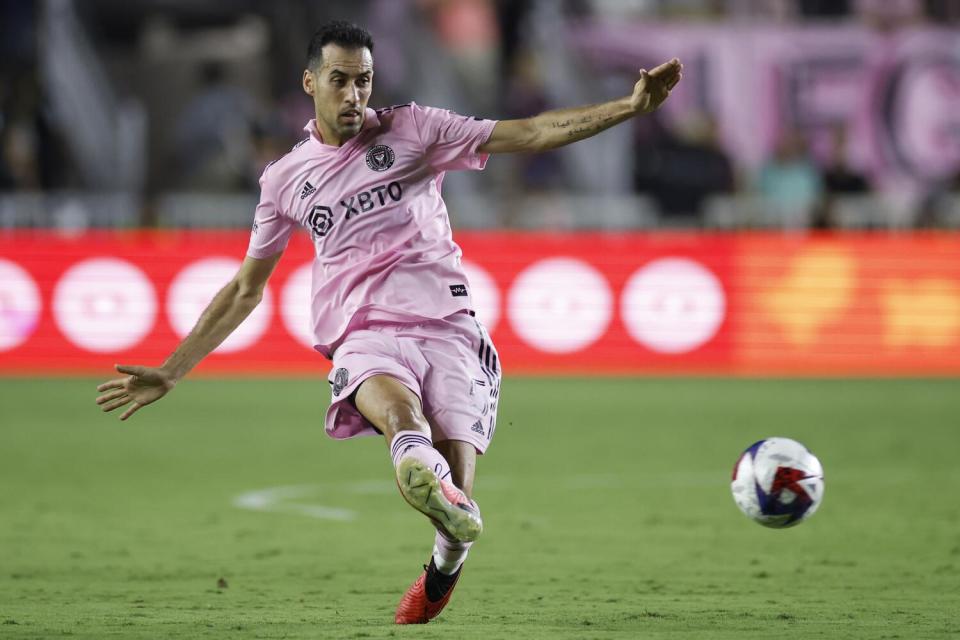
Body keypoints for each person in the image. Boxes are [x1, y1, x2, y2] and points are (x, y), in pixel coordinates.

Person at [95, 20, 682, 625]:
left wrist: (629, 106)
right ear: (310, 82)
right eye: (340, 81)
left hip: (451, 328)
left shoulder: (416, 129)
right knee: (403, 421)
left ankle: (445, 559)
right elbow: (247, 287)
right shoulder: (284, 180)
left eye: (364, 81)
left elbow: (529, 131)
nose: (354, 95)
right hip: (366, 334)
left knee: (456, 492)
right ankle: (416, 461)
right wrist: (172, 370)